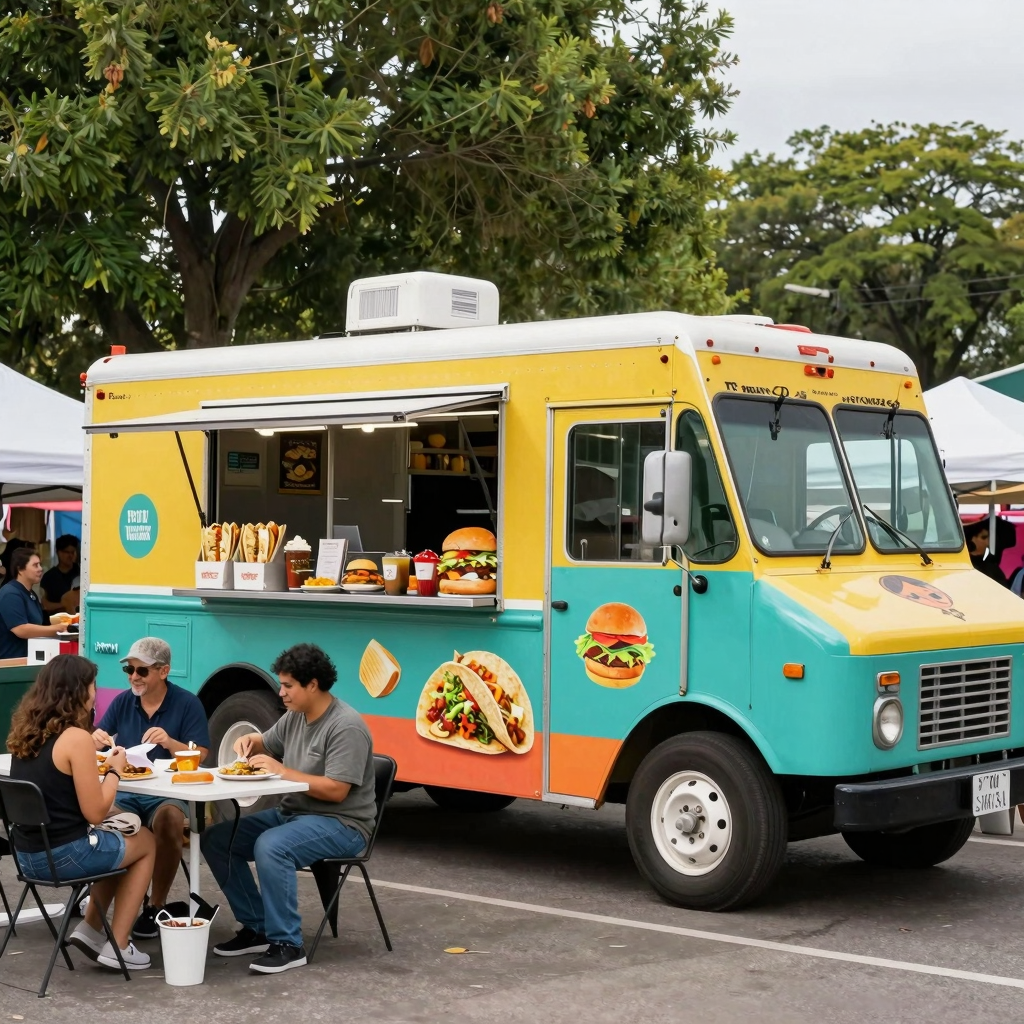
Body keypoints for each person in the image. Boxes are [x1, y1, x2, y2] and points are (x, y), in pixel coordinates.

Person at [201, 643, 376, 974]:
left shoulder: (346, 725)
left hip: (343, 823)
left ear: (312, 685)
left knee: (272, 845)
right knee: (216, 840)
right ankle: (258, 928)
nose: (280, 692)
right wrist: (249, 742)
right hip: (294, 815)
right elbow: (265, 742)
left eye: (288, 685)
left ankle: (288, 944)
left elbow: (337, 792)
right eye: (281, 684)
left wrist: (281, 770)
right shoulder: (296, 717)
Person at [6, 655, 156, 969]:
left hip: (28, 856)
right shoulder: (75, 738)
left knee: (115, 842)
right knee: (143, 841)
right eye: (92, 686)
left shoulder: (25, 731)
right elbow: (95, 813)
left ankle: (90, 930)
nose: (95, 694)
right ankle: (120, 944)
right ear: (77, 691)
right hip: (65, 857)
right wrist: (114, 771)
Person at [91, 637, 210, 940]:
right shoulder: (122, 701)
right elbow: (100, 738)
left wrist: (170, 743)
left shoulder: (187, 703)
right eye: (129, 670)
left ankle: (156, 905)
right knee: (106, 821)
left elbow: (202, 756)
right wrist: (96, 740)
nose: (133, 677)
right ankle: (96, 911)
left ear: (163, 671)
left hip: (169, 790)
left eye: (141, 671)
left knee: (170, 820)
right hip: (128, 789)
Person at [0, 548, 64, 660]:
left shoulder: (31, 594)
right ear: (20, 569)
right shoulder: (10, 593)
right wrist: (57, 629)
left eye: (40, 564)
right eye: (35, 565)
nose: (40, 569)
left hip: (30, 659)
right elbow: (21, 629)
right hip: (11, 664)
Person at [41, 534, 81, 617]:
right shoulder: (49, 577)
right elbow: (45, 605)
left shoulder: (81, 573)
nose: (70, 556)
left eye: (73, 552)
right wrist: (65, 604)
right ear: (58, 552)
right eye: (67, 552)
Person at [964, 520, 1009, 586]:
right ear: (970, 539)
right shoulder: (959, 567)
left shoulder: (993, 571)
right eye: (983, 537)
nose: (987, 543)